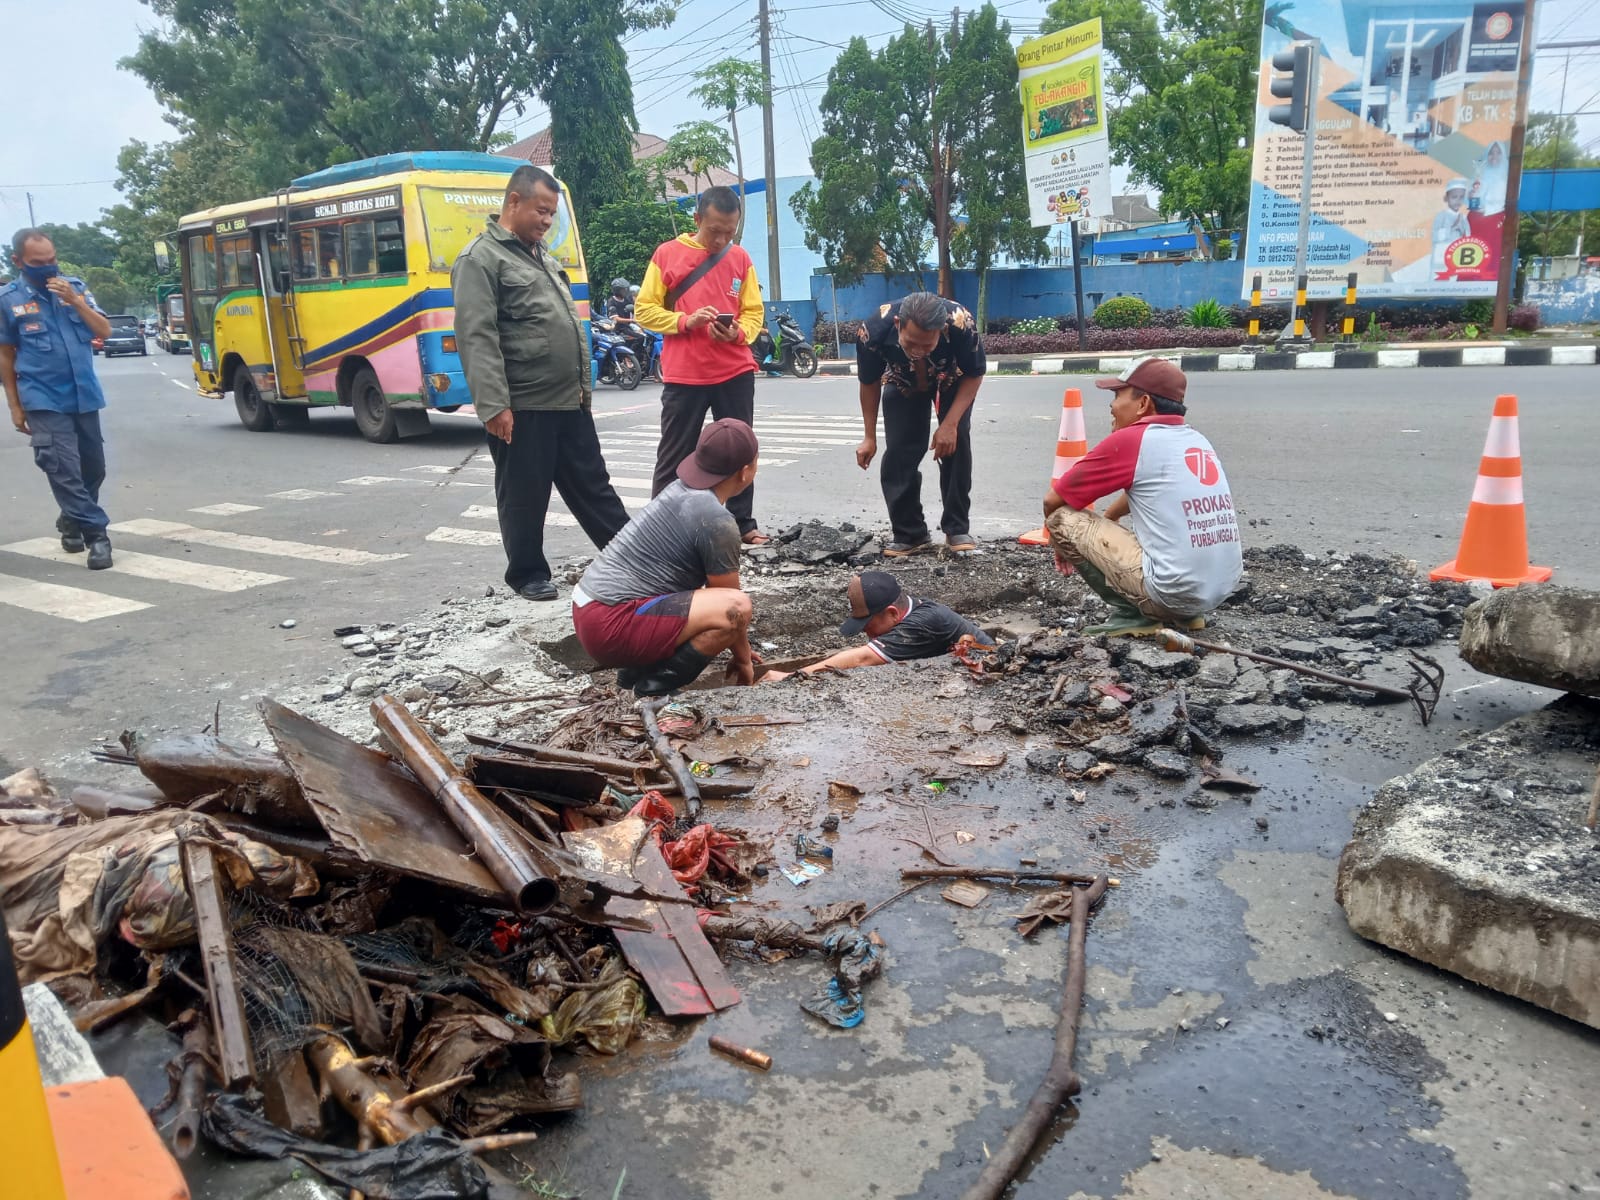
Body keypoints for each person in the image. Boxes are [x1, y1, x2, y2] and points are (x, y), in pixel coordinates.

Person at [452, 165, 630, 602]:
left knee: (594, 484)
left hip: (568, 399)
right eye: (542, 210)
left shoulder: (541, 257)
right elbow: (477, 336)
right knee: (524, 493)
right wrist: (493, 405)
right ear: (514, 202)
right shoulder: (480, 259)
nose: (547, 221)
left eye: (552, 214)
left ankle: (631, 556)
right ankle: (527, 573)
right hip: (524, 401)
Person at [1042, 357, 1242, 637]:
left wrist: (1060, 545)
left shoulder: (1134, 440)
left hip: (1171, 592)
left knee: (1061, 519)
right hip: (1217, 589)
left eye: (1117, 395)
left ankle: (1134, 614)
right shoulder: (1194, 439)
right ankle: (1186, 615)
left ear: (1143, 403)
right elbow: (1157, 487)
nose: (1111, 406)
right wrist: (1110, 516)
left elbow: (1053, 501)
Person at [572, 418, 759, 696]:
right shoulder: (716, 520)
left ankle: (631, 678)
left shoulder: (678, 490)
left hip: (590, 611)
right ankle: (653, 689)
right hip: (611, 622)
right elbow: (731, 606)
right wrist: (743, 659)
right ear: (745, 472)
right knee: (738, 606)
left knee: (697, 602)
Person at [633, 185, 769, 545]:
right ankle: (660, 525)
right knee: (676, 451)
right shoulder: (667, 254)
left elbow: (754, 312)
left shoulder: (740, 258)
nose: (721, 239)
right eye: (714, 231)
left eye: (729, 231)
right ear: (697, 220)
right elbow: (644, 310)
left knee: (741, 448)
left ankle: (742, 523)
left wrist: (738, 334)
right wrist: (684, 321)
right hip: (685, 374)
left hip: (735, 371)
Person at [1, 228, 116, 570]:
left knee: (93, 468)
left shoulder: (76, 288)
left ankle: (71, 520)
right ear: (18, 261)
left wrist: (76, 301)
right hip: (42, 397)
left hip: (84, 394)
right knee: (63, 470)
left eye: (52, 260)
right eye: (38, 263)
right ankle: (97, 535)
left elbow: (104, 331)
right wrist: (14, 405)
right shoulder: (8, 300)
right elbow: (5, 354)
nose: (48, 267)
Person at [854, 292, 986, 558]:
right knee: (900, 451)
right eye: (911, 342)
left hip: (952, 377)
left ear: (942, 330)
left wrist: (949, 425)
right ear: (897, 325)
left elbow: (974, 374)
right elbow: (869, 383)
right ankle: (910, 534)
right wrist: (869, 436)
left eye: (927, 345)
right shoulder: (872, 331)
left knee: (956, 441)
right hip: (901, 379)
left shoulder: (961, 323)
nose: (918, 351)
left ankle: (957, 528)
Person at [763, 570, 995, 680]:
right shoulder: (912, 609)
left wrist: (792, 676)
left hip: (988, 675)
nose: (866, 633)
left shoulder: (923, 622)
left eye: (867, 625)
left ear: (893, 613)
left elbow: (863, 658)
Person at [1430, 179, 1472, 276]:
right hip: (1440, 260)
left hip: (1457, 259)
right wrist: (1452, 228)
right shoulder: (1441, 216)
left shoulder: (1464, 218)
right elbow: (1434, 236)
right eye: (1454, 197)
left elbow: (1468, 238)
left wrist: (1463, 232)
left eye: (1461, 197)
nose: (1458, 200)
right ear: (1446, 198)